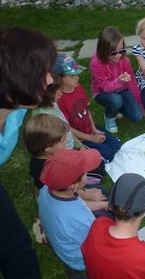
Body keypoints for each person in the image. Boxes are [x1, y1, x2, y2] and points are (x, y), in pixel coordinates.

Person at [0, 26, 57, 278]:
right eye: (41, 73)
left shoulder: (18, 108)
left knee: (17, 248)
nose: (50, 80)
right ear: (11, 82)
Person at [38, 149, 108, 273]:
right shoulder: (80, 219)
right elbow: (98, 245)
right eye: (85, 172)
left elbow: (78, 205)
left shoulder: (46, 189)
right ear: (74, 186)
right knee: (108, 219)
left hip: (65, 228)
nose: (87, 173)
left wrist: (103, 204)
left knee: (101, 191)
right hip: (81, 261)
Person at [55, 53, 122, 162]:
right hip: (78, 139)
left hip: (88, 129)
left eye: (77, 73)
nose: (77, 77)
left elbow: (86, 109)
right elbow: (67, 128)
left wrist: (94, 129)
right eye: (72, 76)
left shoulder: (78, 87)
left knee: (116, 145)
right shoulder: (59, 99)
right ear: (58, 78)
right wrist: (90, 138)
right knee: (108, 155)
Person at [90, 26, 144, 133]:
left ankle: (117, 108)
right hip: (102, 92)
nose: (118, 55)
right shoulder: (96, 63)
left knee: (138, 116)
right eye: (113, 53)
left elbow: (132, 82)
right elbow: (105, 87)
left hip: (121, 89)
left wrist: (140, 104)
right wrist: (119, 81)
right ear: (104, 50)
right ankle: (109, 116)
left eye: (121, 50)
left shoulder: (124, 60)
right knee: (116, 100)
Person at [32, 73, 84, 150]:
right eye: (56, 91)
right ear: (44, 94)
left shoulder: (53, 104)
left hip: (71, 147)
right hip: (61, 155)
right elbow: (49, 146)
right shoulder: (41, 117)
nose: (61, 93)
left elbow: (67, 129)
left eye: (59, 89)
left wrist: (79, 145)